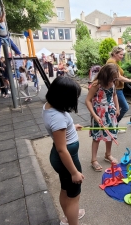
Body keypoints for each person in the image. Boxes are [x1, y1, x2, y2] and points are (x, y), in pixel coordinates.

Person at [42, 76, 85, 225]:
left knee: (66, 189)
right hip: (67, 159)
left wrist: (71, 127)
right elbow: (62, 149)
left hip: (61, 158)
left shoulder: (49, 106)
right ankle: (71, 218)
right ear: (64, 98)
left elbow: (59, 131)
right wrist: (74, 172)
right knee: (74, 196)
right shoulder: (57, 118)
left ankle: (69, 215)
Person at [85, 64, 120, 172]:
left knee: (110, 134)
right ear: (105, 76)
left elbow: (114, 95)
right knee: (97, 136)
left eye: (114, 78)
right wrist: (94, 116)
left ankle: (108, 154)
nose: (113, 80)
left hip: (110, 112)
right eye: (112, 77)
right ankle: (93, 160)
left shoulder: (112, 83)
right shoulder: (96, 84)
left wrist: (117, 108)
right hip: (98, 113)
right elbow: (87, 100)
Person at [106, 46, 131, 129]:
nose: (122, 56)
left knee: (115, 108)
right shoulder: (111, 62)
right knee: (125, 107)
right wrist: (130, 80)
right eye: (121, 54)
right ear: (115, 54)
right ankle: (114, 125)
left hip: (118, 88)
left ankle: (113, 125)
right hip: (116, 89)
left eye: (123, 54)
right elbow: (118, 77)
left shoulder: (113, 62)